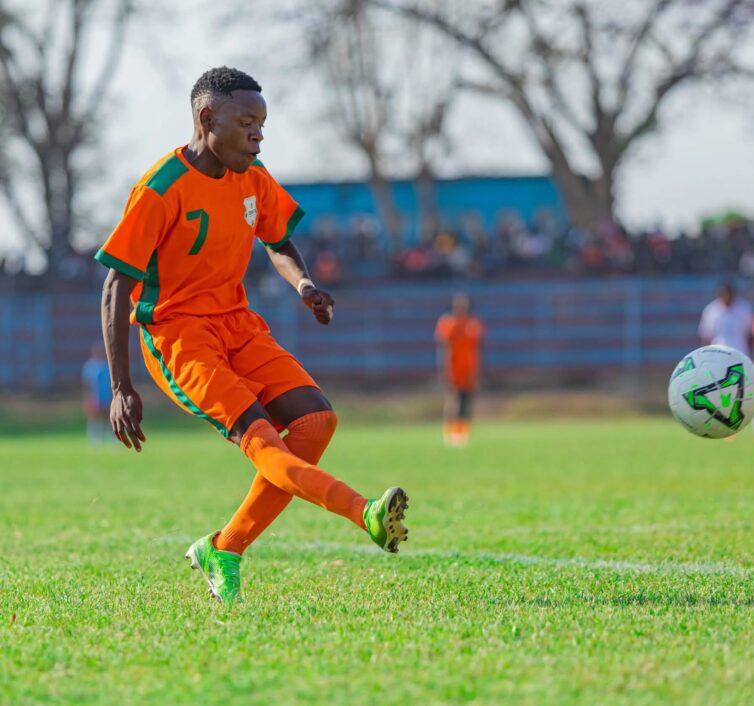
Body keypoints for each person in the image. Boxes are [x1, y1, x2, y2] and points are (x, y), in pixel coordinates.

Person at [94, 67, 408, 604]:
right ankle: (366, 514)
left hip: (238, 323)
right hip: (180, 337)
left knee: (316, 421)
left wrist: (304, 284)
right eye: (247, 124)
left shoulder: (252, 176)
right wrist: (122, 386)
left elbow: (278, 241)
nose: (258, 136)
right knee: (266, 445)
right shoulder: (159, 189)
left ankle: (224, 548)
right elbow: (115, 286)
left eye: (262, 124)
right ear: (206, 118)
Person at [698, 281, 754, 439]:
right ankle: (728, 428)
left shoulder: (743, 308)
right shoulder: (711, 311)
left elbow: (750, 334)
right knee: (723, 395)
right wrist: (705, 359)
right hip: (718, 359)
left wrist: (751, 355)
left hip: (740, 356)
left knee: (750, 390)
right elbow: (706, 336)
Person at [435, 294, 485, 447]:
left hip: (469, 368)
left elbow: (477, 349)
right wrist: (444, 370)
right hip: (453, 368)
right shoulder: (448, 323)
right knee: (453, 400)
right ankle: (449, 433)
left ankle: (462, 433)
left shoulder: (472, 324)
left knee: (466, 401)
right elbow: (444, 348)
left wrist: (476, 371)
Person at [81, 343, 112, 445]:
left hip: (106, 396)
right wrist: (87, 399)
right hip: (94, 397)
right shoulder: (89, 367)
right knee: (94, 418)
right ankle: (95, 440)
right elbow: (86, 385)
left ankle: (112, 438)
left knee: (108, 418)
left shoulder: (106, 366)